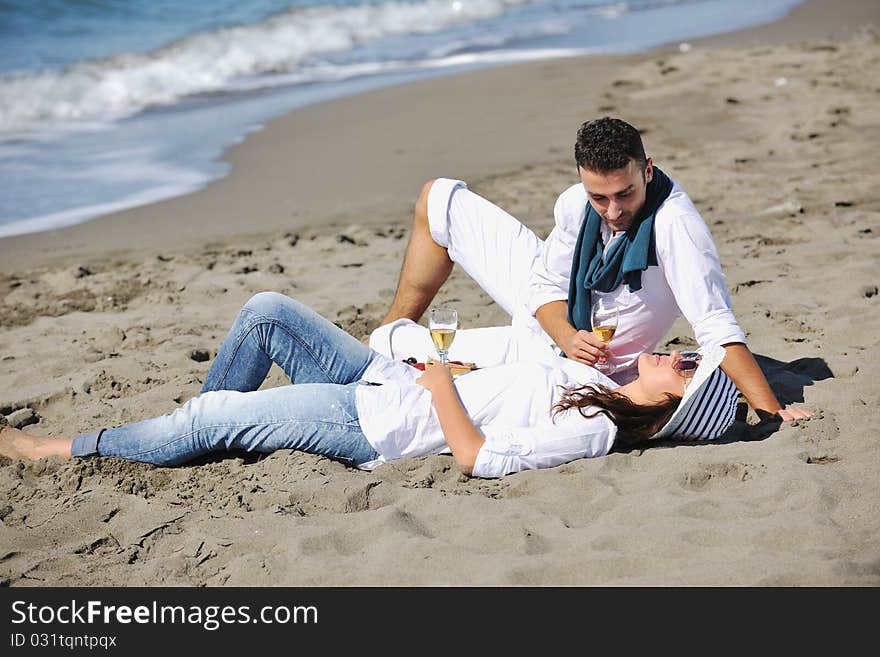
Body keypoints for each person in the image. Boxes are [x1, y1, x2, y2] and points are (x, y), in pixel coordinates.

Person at [0, 292, 742, 478]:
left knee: (220, 411)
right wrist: (457, 373)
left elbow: (478, 458)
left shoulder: (596, 429)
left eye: (683, 365)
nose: (672, 353)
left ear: (679, 401)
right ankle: (201, 429)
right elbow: (508, 392)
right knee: (265, 314)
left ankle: (56, 449)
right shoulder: (597, 385)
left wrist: (446, 382)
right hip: (393, 380)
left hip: (374, 423)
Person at [371, 116, 811, 423]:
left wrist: (772, 410)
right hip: (555, 328)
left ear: (648, 169)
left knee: (386, 346)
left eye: (625, 194)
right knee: (439, 196)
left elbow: (715, 324)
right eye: (600, 198)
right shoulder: (577, 203)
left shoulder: (677, 226)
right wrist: (565, 333)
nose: (614, 210)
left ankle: (392, 339)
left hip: (566, 368)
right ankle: (398, 323)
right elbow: (542, 284)